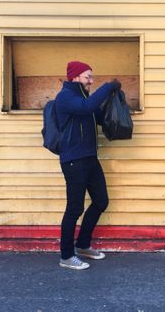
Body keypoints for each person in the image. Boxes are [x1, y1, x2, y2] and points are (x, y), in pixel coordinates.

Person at [55, 60, 121, 270]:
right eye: (88, 77)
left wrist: (115, 102)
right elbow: (87, 107)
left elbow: (96, 114)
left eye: (92, 77)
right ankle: (66, 256)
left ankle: (82, 245)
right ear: (75, 77)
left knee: (101, 201)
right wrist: (107, 87)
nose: (91, 81)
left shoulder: (85, 98)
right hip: (73, 160)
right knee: (74, 208)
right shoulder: (65, 97)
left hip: (90, 158)